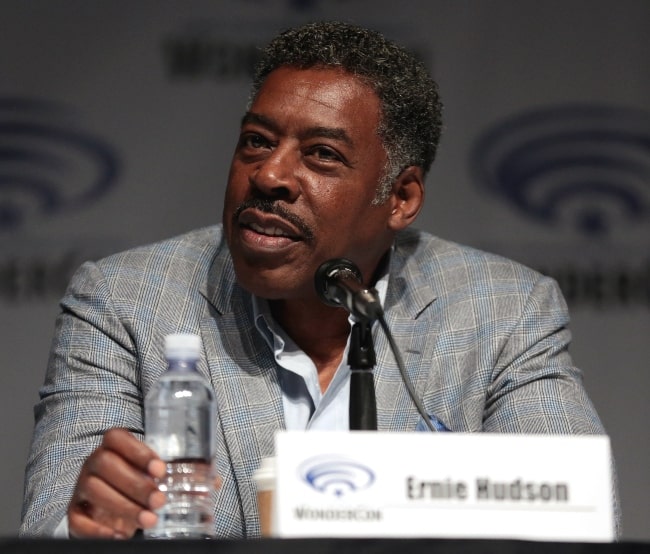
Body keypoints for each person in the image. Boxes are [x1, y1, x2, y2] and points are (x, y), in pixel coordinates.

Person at [20, 21, 617, 539]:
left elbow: (579, 511)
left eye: (321, 155)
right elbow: (52, 519)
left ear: (401, 198)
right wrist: (87, 523)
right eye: (256, 142)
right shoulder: (124, 301)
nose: (270, 175)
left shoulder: (504, 309)